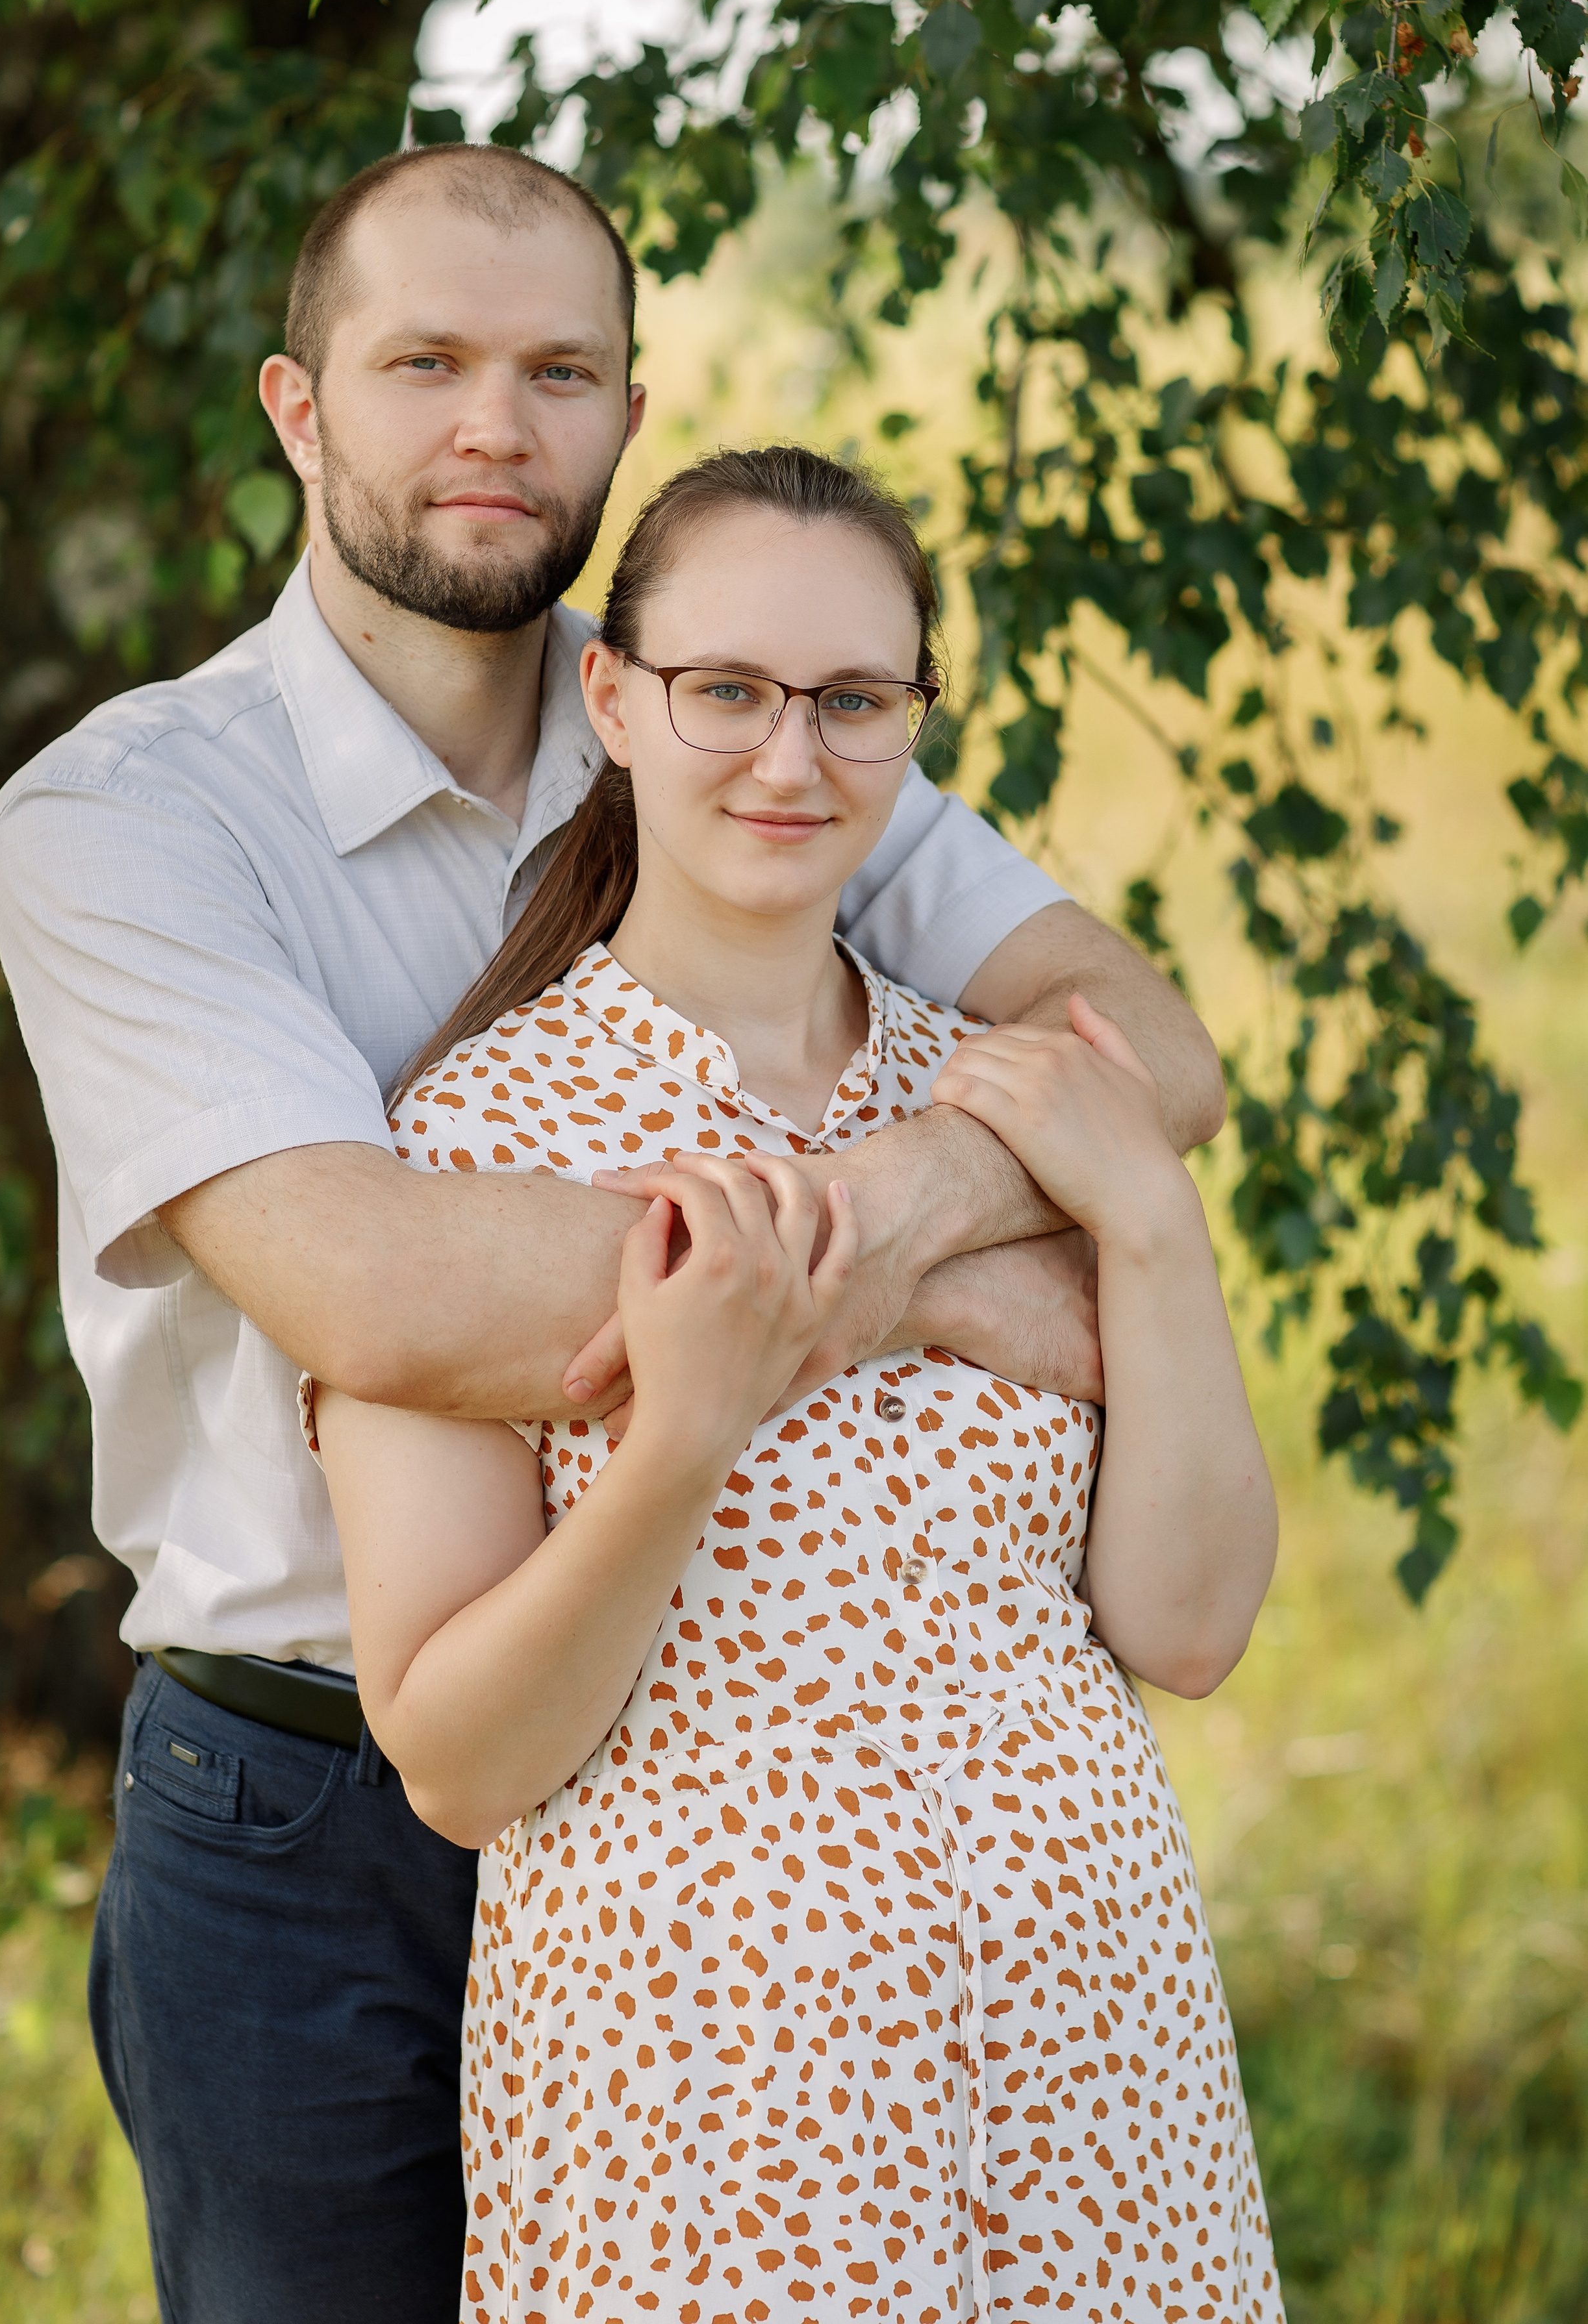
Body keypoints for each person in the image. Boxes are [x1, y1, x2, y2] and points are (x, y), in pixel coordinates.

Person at [0, 144, 1228, 2322]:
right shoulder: (133, 814)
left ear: (628, 415)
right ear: (297, 407)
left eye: (562, 370)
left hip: (738, 1795)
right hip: (319, 1812)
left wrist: (913, 1189)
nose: (498, 425)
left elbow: (1147, 1054)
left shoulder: (726, 713)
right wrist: (1017, 1283)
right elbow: (372, 1288)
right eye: (428, 364)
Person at [312, 444, 1281, 2324]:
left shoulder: (1015, 1105)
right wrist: (682, 1434)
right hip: (714, 2096)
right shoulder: (472, 1138)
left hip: (1092, 2049)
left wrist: (1147, 1225)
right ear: (613, 697)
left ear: (917, 719)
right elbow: (456, 1759)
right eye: (727, 692)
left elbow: (1189, 1625)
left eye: (855, 702)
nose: (790, 759)